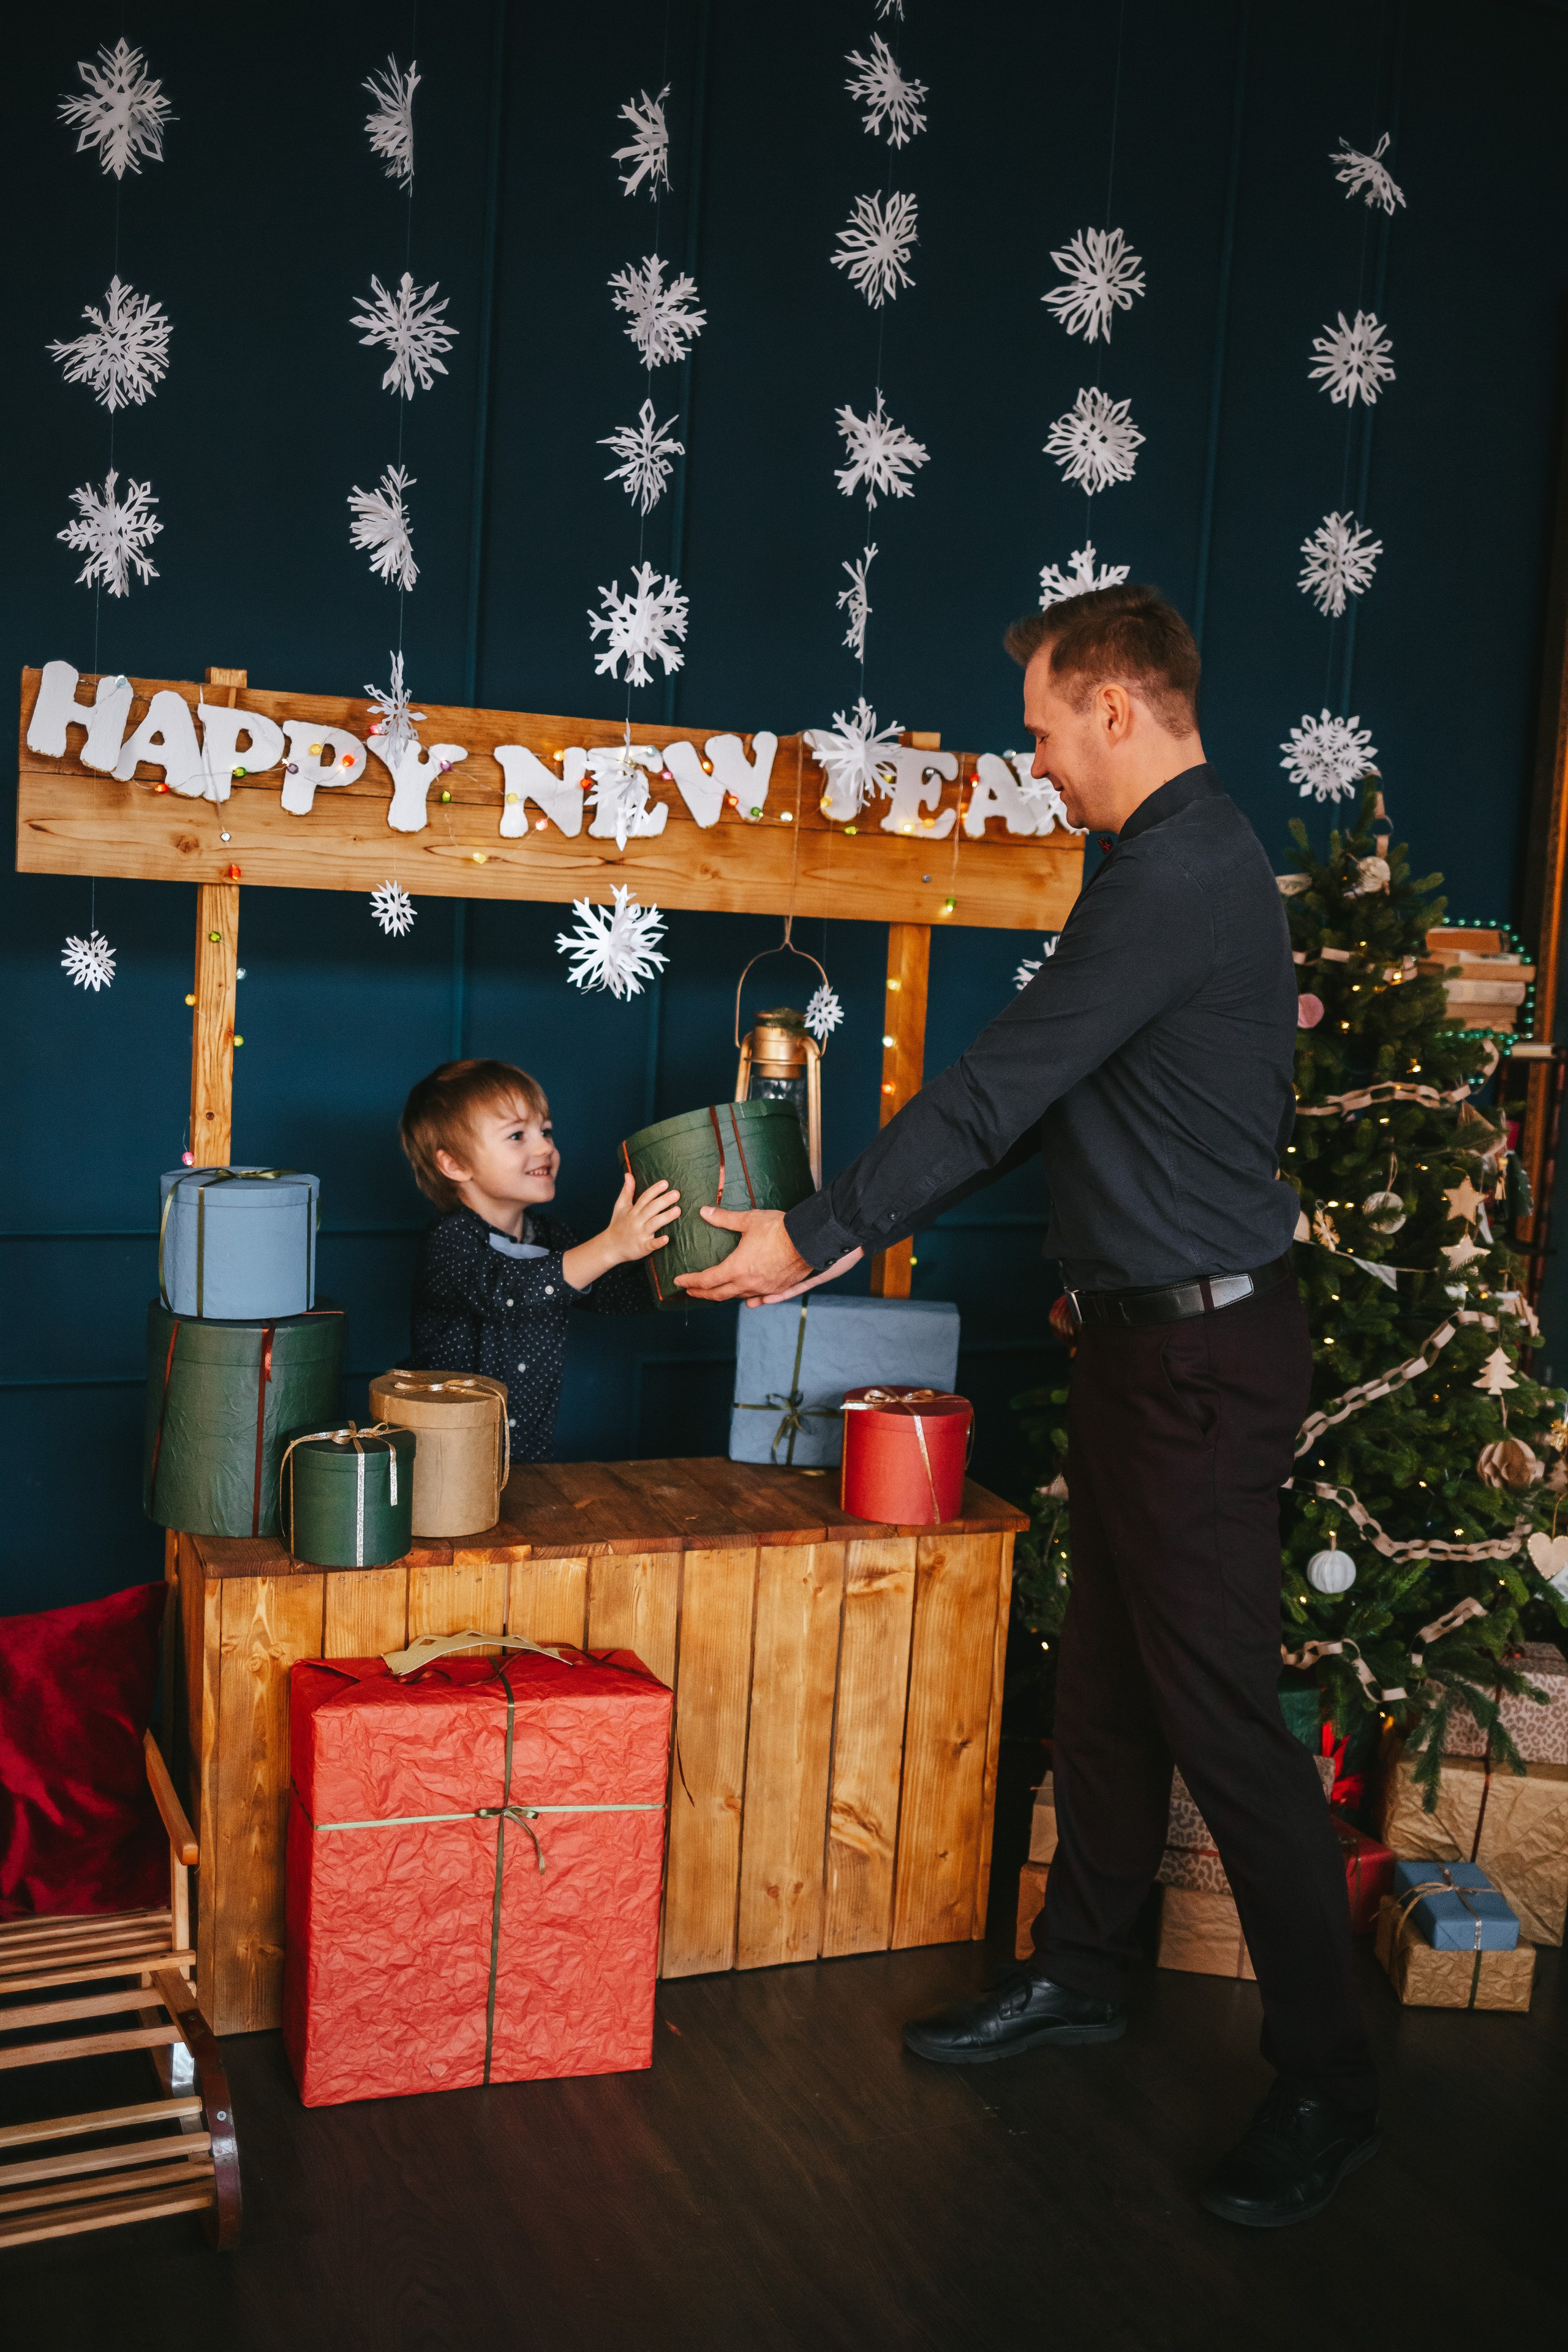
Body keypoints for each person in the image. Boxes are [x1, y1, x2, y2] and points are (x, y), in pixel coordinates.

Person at [674, 584, 1378, 2229]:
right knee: (1115, 1684)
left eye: (1050, 728)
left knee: (1220, 1722)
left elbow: (1003, 1084)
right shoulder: (1170, 870)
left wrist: (818, 1232)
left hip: (1202, 1361)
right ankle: (1085, 1975)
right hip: (1151, 1344)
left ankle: (1332, 2080)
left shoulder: (1184, 871)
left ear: (1118, 710)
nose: (1040, 759)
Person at [399, 1058, 678, 1462]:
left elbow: (615, 1294)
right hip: (443, 1458)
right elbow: (508, 1291)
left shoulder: (552, 1236)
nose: (545, 1147)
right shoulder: (449, 1244)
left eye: (546, 1131)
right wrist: (611, 1246)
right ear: (454, 1164)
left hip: (528, 1454)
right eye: (517, 1136)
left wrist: (695, 1273)